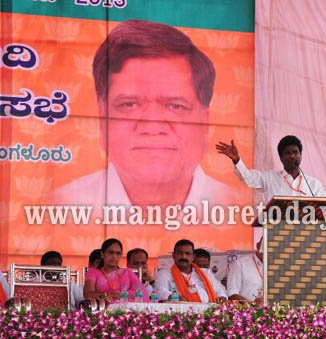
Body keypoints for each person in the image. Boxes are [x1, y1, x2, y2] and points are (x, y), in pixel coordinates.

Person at [51, 19, 234, 212]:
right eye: (129, 105)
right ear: (102, 119)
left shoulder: (240, 207)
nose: (153, 127)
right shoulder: (59, 205)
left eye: (175, 106)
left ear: (205, 123)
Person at [216, 135, 326, 203]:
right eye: (287, 153)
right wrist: (237, 160)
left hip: (306, 237)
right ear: (281, 158)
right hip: (277, 236)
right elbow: (248, 178)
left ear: (301, 155)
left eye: (295, 152)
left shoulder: (314, 184)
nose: (292, 156)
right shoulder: (270, 178)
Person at [155, 239, 227, 303]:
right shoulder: (164, 274)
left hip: (208, 313)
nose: (183, 257)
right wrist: (176, 297)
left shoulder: (205, 273)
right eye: (180, 253)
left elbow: (219, 291)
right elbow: (160, 291)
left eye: (187, 253)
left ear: (193, 257)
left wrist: (221, 297)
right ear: (173, 255)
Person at [83, 238, 150, 304]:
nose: (114, 256)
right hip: (102, 311)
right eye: (111, 252)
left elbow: (142, 295)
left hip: (127, 310)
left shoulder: (127, 273)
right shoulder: (93, 272)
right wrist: (108, 295)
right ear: (102, 254)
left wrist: (118, 295)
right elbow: (88, 294)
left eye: (118, 253)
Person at [227, 237, 264, 304]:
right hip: (248, 312)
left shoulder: (276, 266)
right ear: (258, 246)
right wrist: (251, 304)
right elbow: (231, 293)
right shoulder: (240, 264)